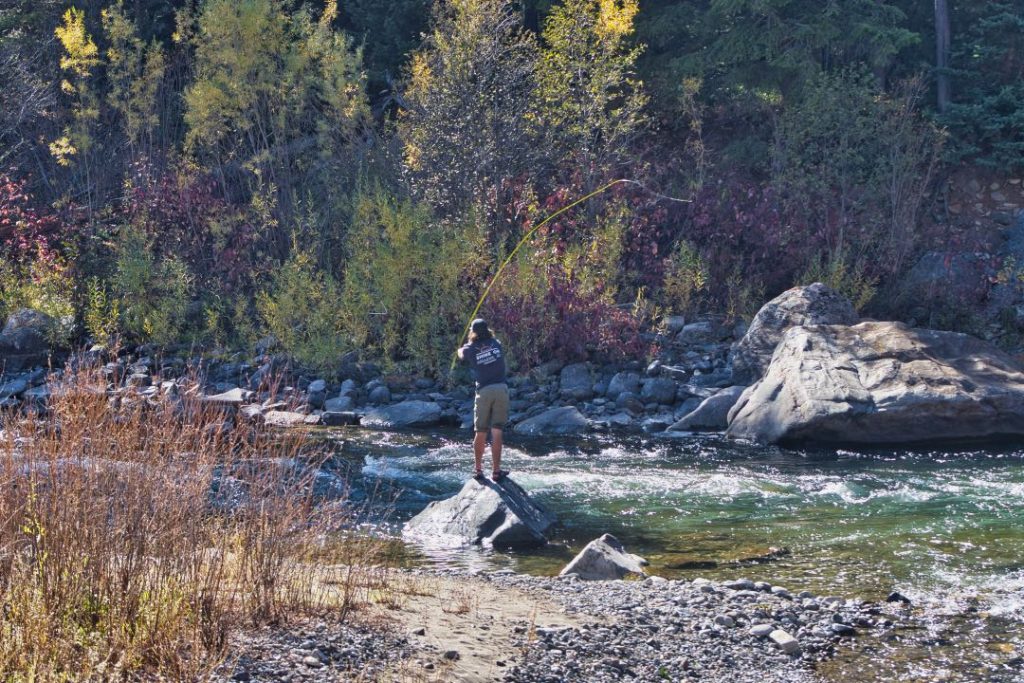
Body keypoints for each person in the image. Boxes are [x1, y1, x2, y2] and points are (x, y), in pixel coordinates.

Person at [457, 318, 510, 482]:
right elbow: (489, 345)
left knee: (480, 431)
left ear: (473, 332)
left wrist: (461, 347)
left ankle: (478, 471)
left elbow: (461, 355)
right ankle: (496, 472)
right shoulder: (496, 343)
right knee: (497, 430)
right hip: (501, 389)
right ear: (488, 329)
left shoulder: (470, 349)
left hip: (484, 391)